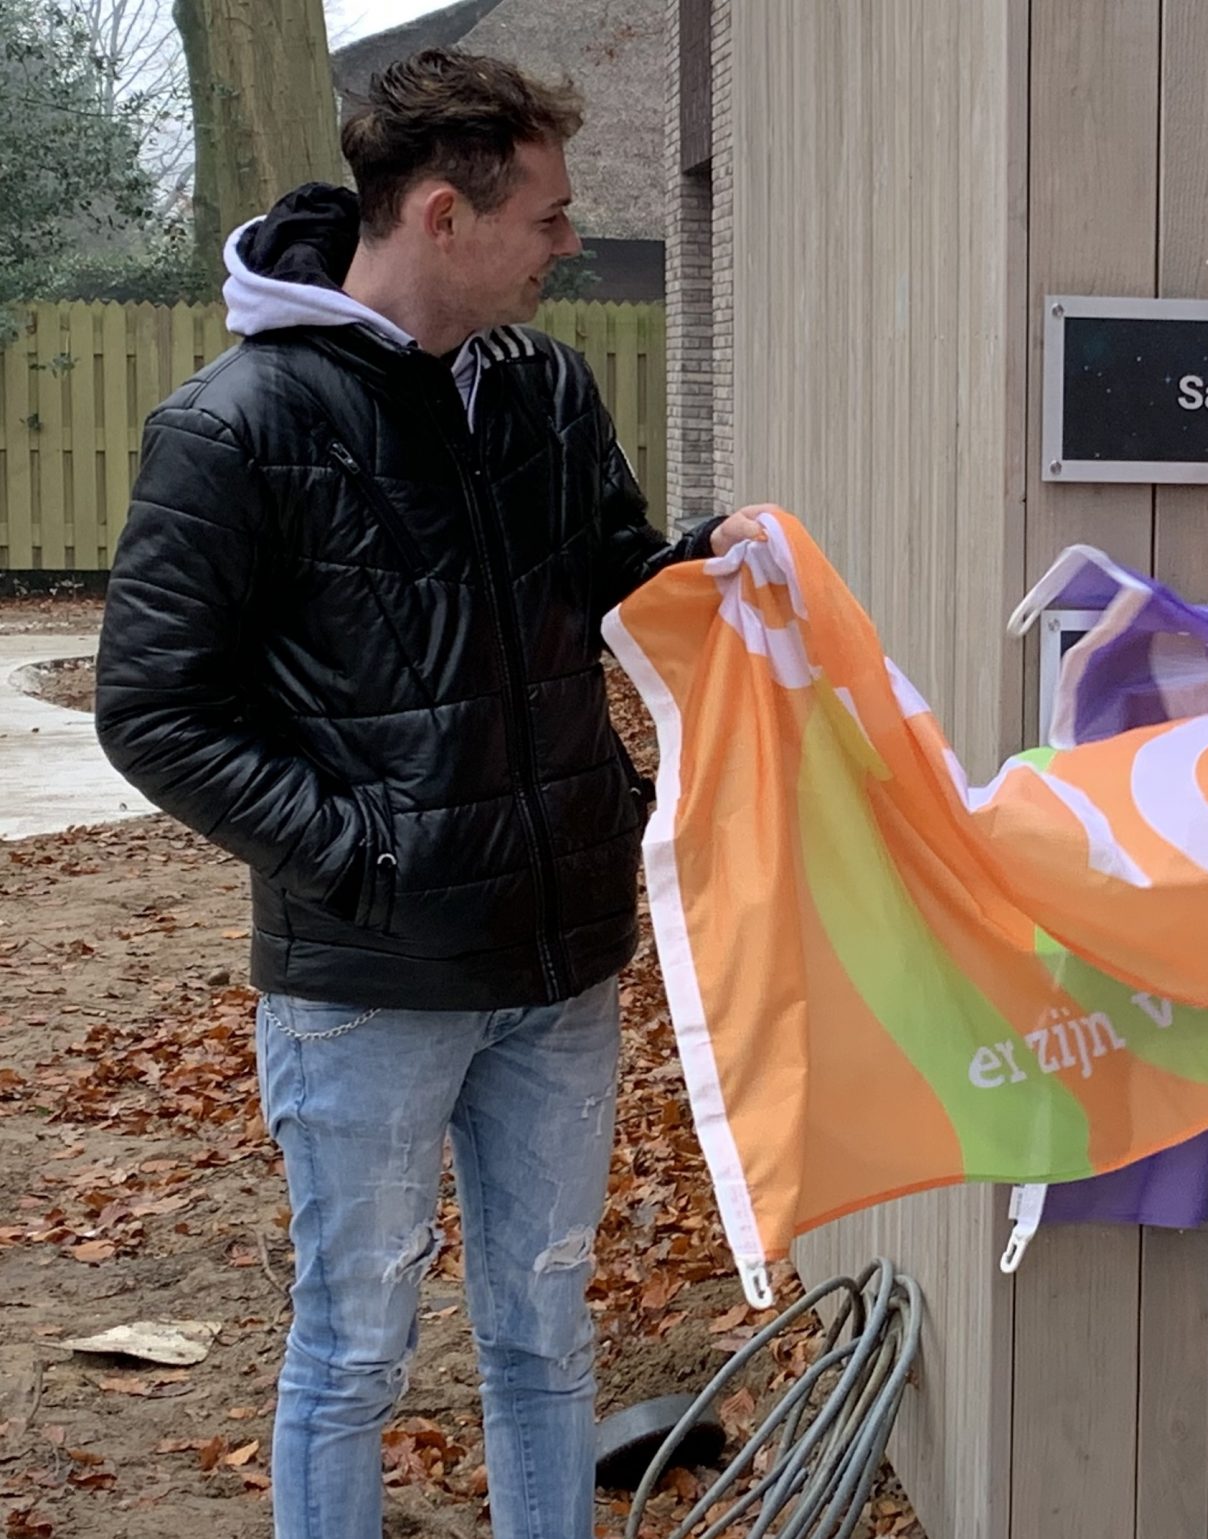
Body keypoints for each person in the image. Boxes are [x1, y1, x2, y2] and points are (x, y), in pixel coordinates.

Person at [92, 49, 760, 1539]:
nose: (569, 242)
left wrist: (705, 566)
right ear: (447, 215)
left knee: (545, 1334)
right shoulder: (237, 425)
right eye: (549, 215)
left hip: (559, 957)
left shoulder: (544, 386)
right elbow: (154, 709)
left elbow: (604, 577)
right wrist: (366, 857)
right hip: (370, 981)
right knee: (352, 1352)